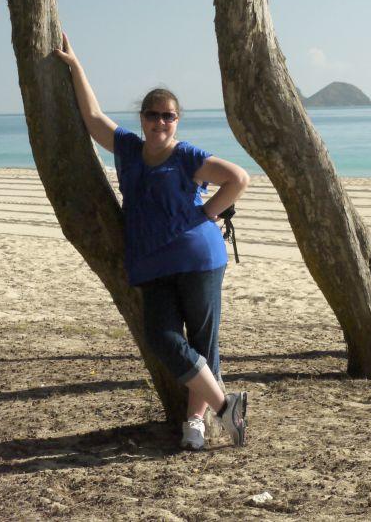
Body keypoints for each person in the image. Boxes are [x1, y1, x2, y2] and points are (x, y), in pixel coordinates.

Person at [54, 33, 249, 451]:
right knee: (162, 336)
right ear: (142, 119)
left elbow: (238, 178)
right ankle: (224, 406)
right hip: (151, 263)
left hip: (198, 258)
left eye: (169, 116)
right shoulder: (127, 149)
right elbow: (92, 118)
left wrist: (205, 214)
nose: (161, 122)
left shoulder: (187, 157)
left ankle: (194, 423)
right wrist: (76, 66)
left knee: (202, 342)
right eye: (153, 115)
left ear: (177, 121)